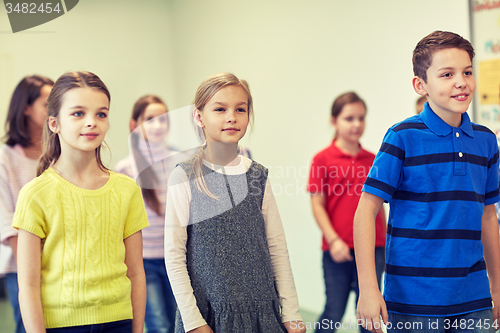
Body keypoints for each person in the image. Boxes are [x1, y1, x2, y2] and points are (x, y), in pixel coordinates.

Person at [354, 31, 500, 333]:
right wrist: (369, 288)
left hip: (474, 299)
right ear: (421, 85)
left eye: (467, 72)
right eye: (447, 74)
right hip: (413, 301)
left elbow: (488, 216)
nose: (461, 81)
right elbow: (366, 211)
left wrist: (497, 288)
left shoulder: (486, 141)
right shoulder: (402, 137)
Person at [164, 72, 305, 333]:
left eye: (240, 109)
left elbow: (276, 248)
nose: (231, 116)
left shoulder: (258, 175)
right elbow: (174, 256)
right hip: (210, 316)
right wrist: (194, 322)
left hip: (262, 314)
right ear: (199, 117)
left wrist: (292, 312)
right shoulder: (183, 177)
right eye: (220, 109)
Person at [13, 71, 149, 333]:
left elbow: (136, 273)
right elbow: (27, 285)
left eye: (101, 114)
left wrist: (137, 329)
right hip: (60, 326)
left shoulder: (127, 189)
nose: (92, 122)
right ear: (54, 123)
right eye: (78, 113)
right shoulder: (35, 193)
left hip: (119, 322)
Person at [308, 92, 386, 333]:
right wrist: (333, 241)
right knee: (334, 309)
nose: (356, 124)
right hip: (337, 249)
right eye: (349, 118)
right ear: (334, 121)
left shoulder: (375, 159)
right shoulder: (322, 160)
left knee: (370, 312)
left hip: (374, 248)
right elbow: (317, 204)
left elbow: (380, 206)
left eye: (361, 118)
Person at [116, 95, 177, 333]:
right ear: (135, 125)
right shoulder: (125, 168)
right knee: (158, 324)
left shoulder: (182, 161)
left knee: (179, 323)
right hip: (143, 262)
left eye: (163, 119)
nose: (158, 125)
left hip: (176, 257)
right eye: (150, 119)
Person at [0, 75, 53, 333]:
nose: (54, 109)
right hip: (20, 266)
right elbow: (5, 219)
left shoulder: (59, 154)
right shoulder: (4, 157)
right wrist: (31, 267)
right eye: (47, 103)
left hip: (60, 263)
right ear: (25, 108)